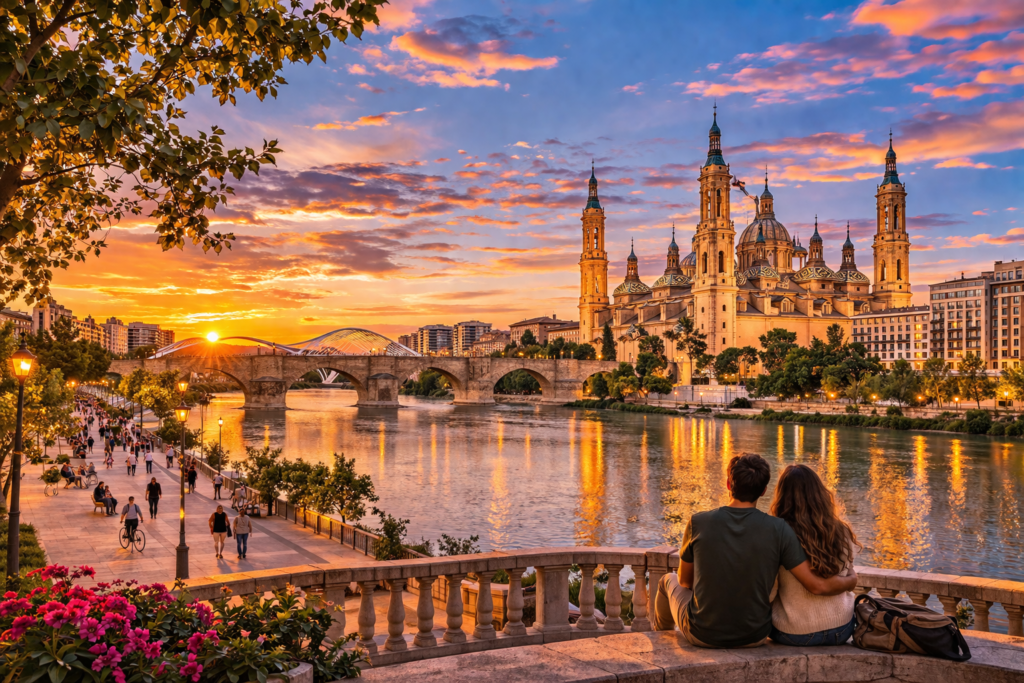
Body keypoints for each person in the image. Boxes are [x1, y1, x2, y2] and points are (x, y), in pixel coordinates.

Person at [654, 453, 858, 648]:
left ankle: (659, 640)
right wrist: (851, 581)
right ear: (763, 491)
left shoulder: (698, 522)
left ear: (728, 484)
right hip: (756, 635)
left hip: (703, 634)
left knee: (667, 581)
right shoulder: (778, 529)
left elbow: (685, 582)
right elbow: (812, 584)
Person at [769, 465, 861, 646]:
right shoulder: (841, 530)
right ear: (819, 493)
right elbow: (849, 574)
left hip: (795, 631)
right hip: (842, 627)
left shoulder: (779, 533)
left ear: (782, 496)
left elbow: (770, 590)